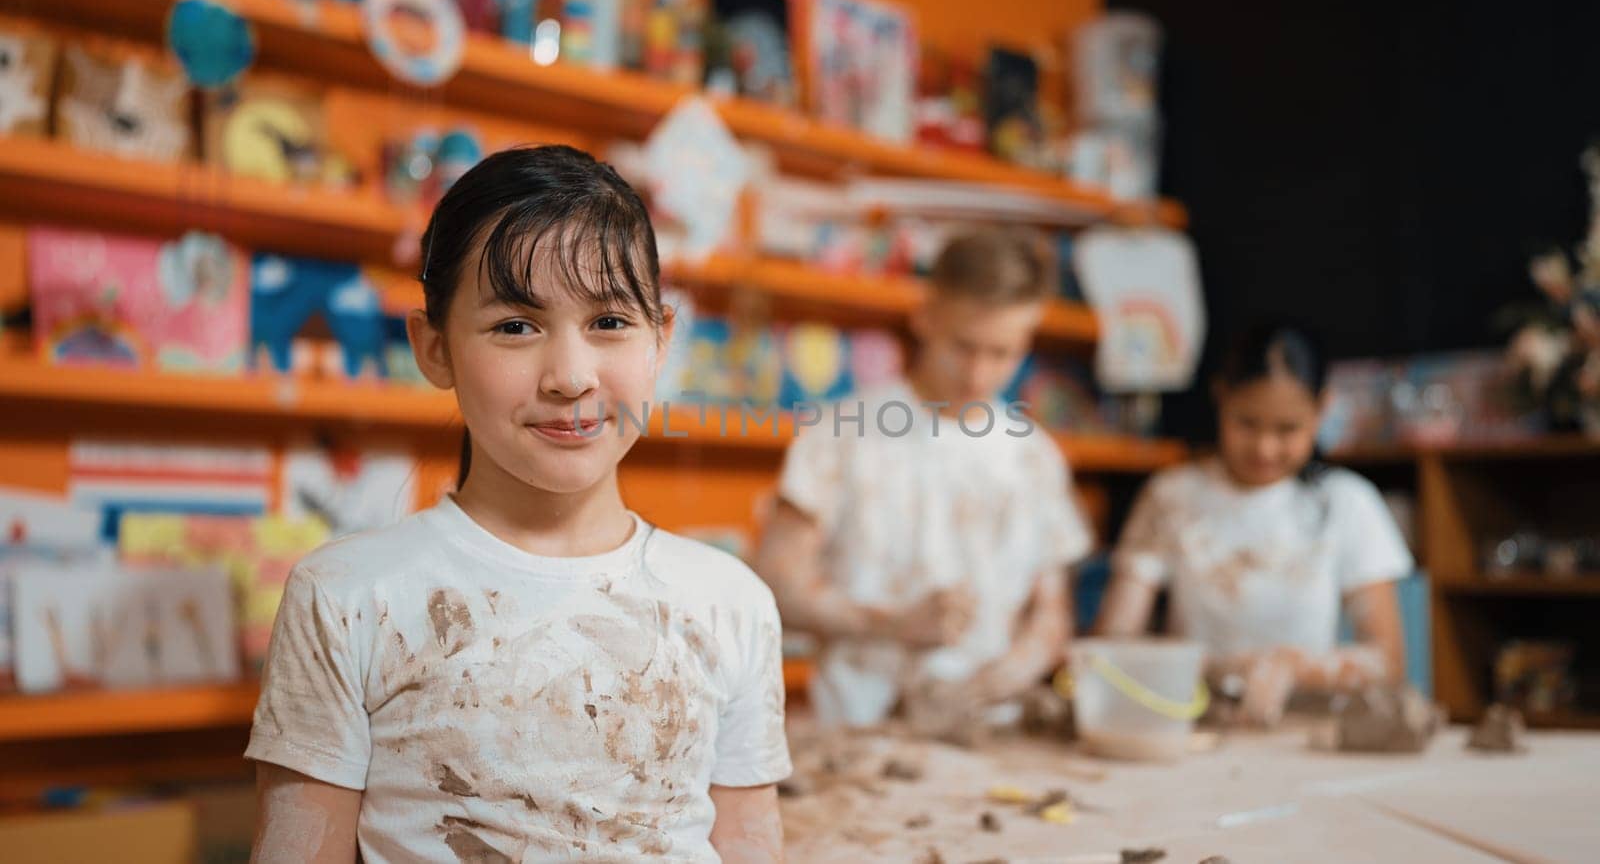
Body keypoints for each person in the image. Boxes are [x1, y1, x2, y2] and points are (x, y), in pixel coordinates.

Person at [246, 146, 790, 863]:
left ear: (661, 339)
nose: (570, 377)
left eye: (609, 323)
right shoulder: (347, 599)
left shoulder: (731, 603)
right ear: (434, 348)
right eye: (515, 326)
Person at [755, 230, 1094, 729]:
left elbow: (1051, 618)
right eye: (964, 346)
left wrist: (982, 690)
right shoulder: (842, 431)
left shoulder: (1035, 457)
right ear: (926, 316)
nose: (979, 374)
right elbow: (775, 585)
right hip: (859, 734)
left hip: (990, 733)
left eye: (1003, 353)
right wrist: (895, 625)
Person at [1095, 324, 1413, 725]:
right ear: (1220, 398)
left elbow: (1387, 660)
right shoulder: (1171, 497)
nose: (1265, 447)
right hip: (1192, 721)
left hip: (1307, 730)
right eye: (1247, 423)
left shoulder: (1346, 504)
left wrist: (1293, 666)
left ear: (1322, 410)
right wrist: (1203, 668)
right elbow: (1113, 641)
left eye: (1287, 429)